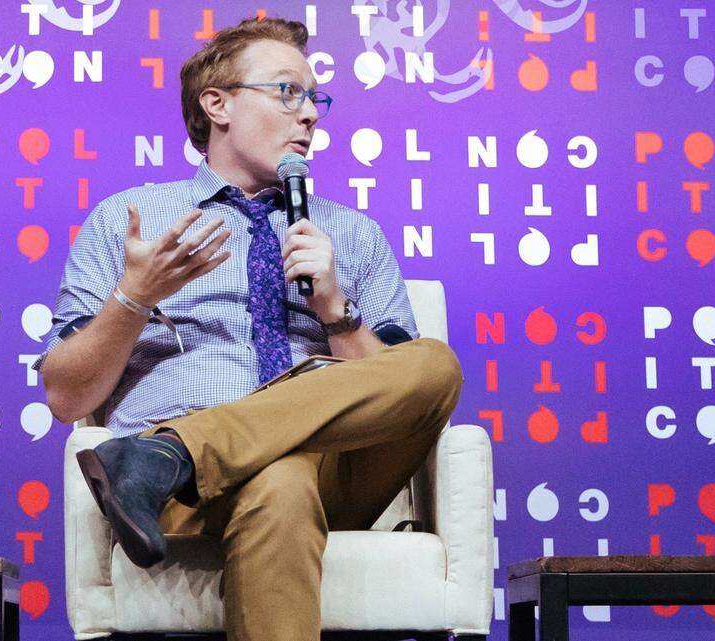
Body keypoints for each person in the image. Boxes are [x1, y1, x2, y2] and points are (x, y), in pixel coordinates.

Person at [34, 16, 463, 641]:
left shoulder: (352, 233)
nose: (310, 115)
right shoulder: (130, 222)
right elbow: (65, 396)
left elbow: (404, 396)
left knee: (435, 364)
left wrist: (336, 313)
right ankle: (182, 458)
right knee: (278, 480)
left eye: (315, 98)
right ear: (218, 104)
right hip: (191, 502)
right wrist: (135, 298)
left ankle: (172, 452)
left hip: (337, 471)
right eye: (288, 91)